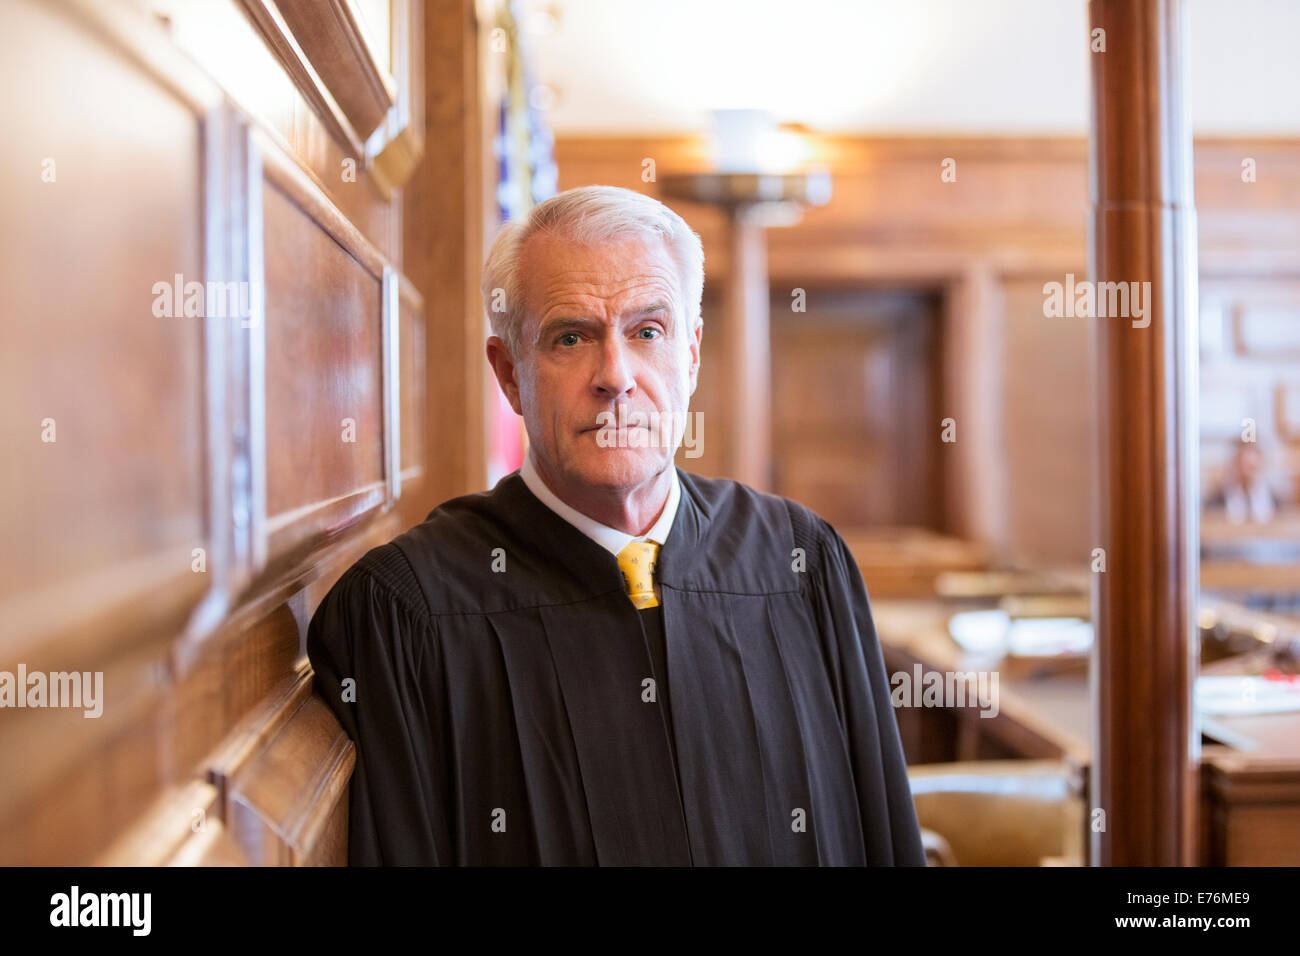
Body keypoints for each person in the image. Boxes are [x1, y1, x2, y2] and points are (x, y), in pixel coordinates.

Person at [306, 185, 925, 866]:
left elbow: (884, 841)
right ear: (510, 373)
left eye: (647, 332)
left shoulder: (802, 565)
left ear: (689, 354)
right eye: (571, 337)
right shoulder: (408, 611)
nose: (616, 376)